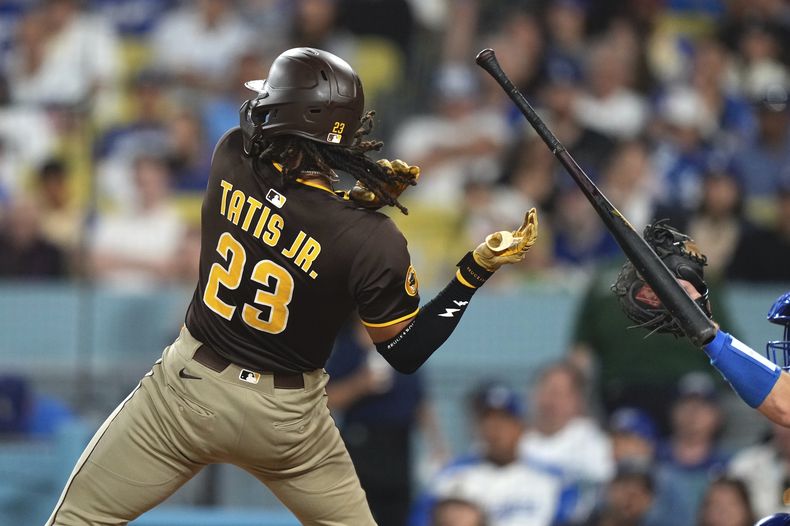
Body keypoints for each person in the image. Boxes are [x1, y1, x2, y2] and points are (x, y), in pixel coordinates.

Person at [46, 47, 539, 525]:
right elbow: (405, 353)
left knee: (79, 519)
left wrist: (345, 195)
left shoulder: (231, 157)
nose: (259, 109)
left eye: (271, 103)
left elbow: (283, 181)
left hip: (185, 393)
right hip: (287, 421)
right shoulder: (370, 237)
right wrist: (471, 272)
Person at [410, 381, 577, 526]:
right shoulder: (448, 479)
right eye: (488, 421)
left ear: (521, 426)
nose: (496, 429)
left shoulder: (554, 480)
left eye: (504, 420)